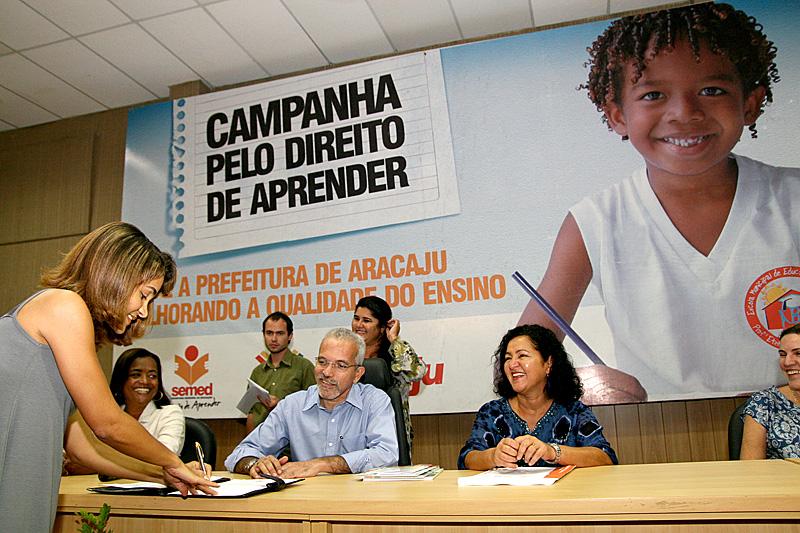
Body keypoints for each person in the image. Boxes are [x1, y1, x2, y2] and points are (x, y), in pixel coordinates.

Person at [519, 3, 794, 403]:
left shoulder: (793, 199)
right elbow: (518, 364)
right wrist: (578, 386)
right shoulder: (594, 222)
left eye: (712, 90)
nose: (684, 113)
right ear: (617, 115)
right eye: (653, 95)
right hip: (660, 432)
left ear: (749, 104)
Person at [0, 222, 216, 531]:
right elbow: (107, 424)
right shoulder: (63, 305)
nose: (144, 312)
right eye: (144, 295)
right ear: (116, 274)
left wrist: (162, 474)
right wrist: (172, 460)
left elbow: (82, 448)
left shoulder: (62, 322)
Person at [225, 327, 398, 478]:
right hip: (305, 500)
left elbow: (386, 455)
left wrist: (322, 465)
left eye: (340, 365)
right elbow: (239, 454)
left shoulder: (374, 401)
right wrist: (255, 464)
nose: (327, 372)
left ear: (357, 374)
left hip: (359, 499)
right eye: (322, 362)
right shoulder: (292, 406)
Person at [458, 325, 617, 470]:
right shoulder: (492, 412)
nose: (512, 364)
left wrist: (552, 451)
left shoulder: (573, 411)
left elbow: (605, 457)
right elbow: (467, 459)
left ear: (548, 363)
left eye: (522, 355)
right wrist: (492, 456)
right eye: (508, 358)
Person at [352, 295, 424, 453]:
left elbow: (417, 372)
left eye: (366, 320)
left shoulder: (394, 355)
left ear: (382, 327)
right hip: (353, 436)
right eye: (356, 318)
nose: (359, 325)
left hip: (392, 435)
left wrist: (394, 339)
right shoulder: (347, 354)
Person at [245, 312, 315, 433]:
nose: (273, 339)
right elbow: (251, 414)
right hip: (260, 440)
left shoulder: (304, 367)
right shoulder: (257, 372)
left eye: (280, 333)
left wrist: (282, 405)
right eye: (269, 333)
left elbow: (314, 409)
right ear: (263, 335)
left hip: (291, 440)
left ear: (290, 336)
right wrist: (250, 443)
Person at [740, 324, 800, 459]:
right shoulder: (764, 403)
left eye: (798, 353)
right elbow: (751, 467)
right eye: (783, 355)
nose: (787, 362)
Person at [111, 348, 185, 454]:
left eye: (152, 376)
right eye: (136, 375)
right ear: (121, 380)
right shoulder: (111, 415)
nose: (145, 381)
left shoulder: (170, 413)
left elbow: (165, 455)